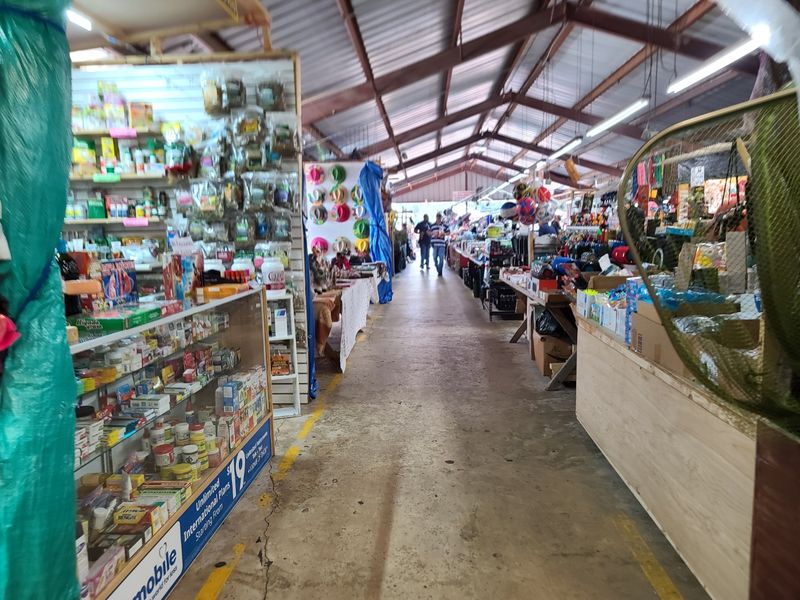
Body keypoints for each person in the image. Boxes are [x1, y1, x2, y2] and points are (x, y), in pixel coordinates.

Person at [429, 212, 450, 277]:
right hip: (434, 244)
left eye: (439, 217)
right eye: (438, 217)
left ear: (441, 217)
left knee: (441, 258)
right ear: (436, 217)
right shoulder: (432, 225)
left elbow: (448, 233)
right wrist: (433, 233)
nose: (438, 218)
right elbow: (428, 232)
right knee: (434, 257)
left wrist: (444, 234)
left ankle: (440, 272)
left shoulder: (445, 225)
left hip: (442, 244)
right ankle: (437, 267)